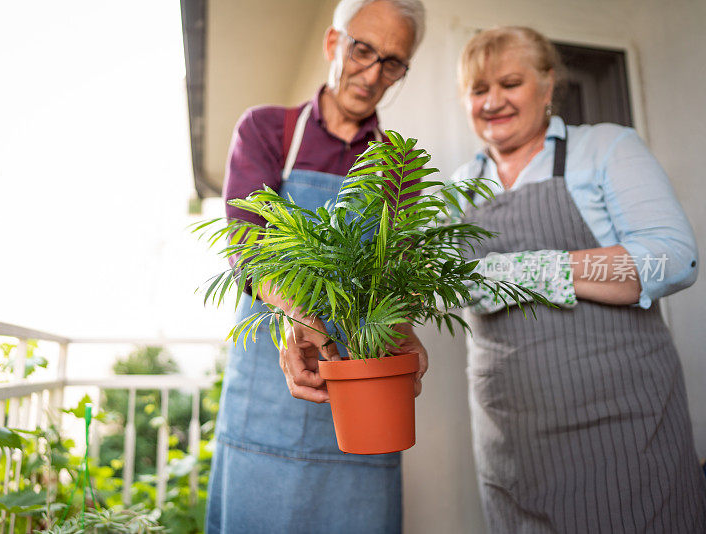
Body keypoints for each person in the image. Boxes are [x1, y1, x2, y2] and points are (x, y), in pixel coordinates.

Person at [451, 26, 706, 533]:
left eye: (510, 83)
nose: (493, 101)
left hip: (626, 431)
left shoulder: (605, 148)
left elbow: (671, 259)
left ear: (548, 87)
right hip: (511, 442)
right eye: (479, 90)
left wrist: (534, 269)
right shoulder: (457, 188)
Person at [207, 1, 428, 532]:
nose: (373, 74)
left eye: (393, 62)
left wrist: (404, 328)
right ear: (333, 44)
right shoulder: (268, 131)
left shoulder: (398, 167)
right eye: (362, 49)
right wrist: (297, 310)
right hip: (266, 396)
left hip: (364, 403)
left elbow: (391, 279)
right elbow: (246, 242)